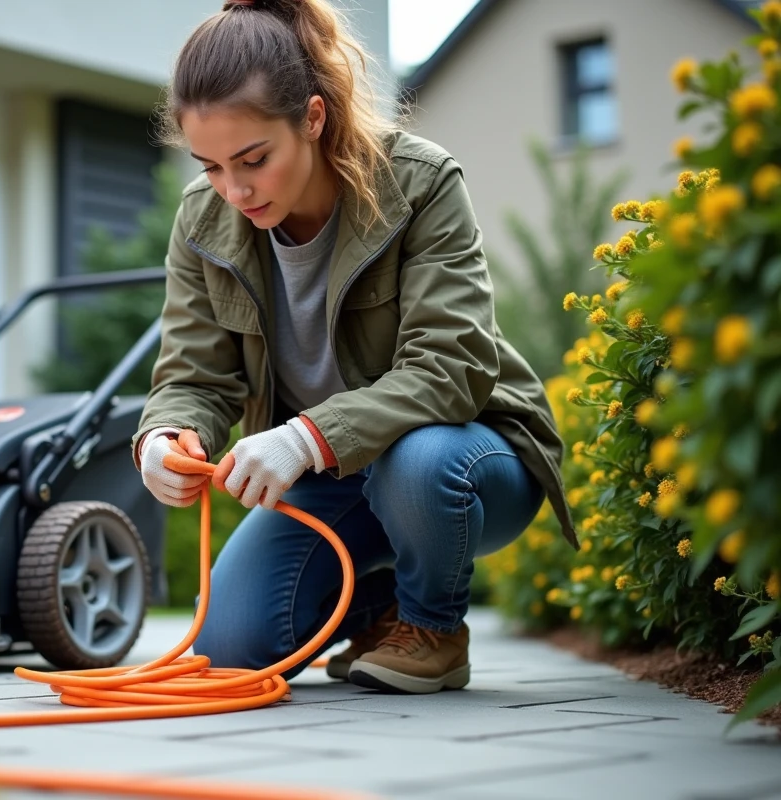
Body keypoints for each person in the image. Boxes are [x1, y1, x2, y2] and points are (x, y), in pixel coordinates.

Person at [133, 0, 576, 695]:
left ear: (312, 118)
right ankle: (380, 610)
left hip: (467, 454)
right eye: (211, 165)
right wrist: (165, 436)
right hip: (337, 477)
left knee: (418, 462)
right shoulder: (201, 217)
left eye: (253, 159)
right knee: (229, 648)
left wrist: (305, 439)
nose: (234, 189)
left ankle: (432, 628)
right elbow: (194, 375)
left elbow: (449, 371)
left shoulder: (420, 182)